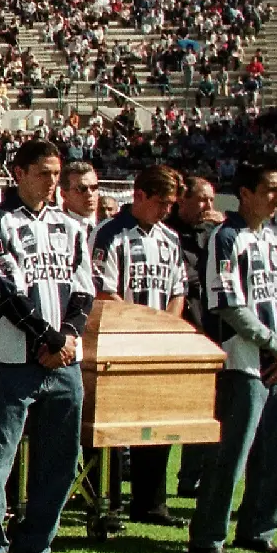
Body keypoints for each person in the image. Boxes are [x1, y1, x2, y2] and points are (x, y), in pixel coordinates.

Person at [0, 139, 94, 553]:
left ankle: (36, 543)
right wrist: (51, 338)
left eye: (57, 174)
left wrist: (69, 337)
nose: (52, 182)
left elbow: (83, 292)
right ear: (19, 173)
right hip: (12, 360)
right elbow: (4, 291)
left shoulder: (72, 225)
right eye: (43, 173)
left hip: (64, 364)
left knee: (62, 461)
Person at [189, 162, 277, 553]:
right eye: (270, 189)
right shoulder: (226, 237)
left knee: (276, 454)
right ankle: (208, 537)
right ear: (246, 193)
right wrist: (273, 343)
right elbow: (227, 303)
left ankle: (258, 530)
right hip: (244, 361)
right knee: (230, 455)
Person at [89, 165, 188, 527]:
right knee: (115, 429)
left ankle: (151, 503)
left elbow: (178, 289)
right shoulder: (110, 234)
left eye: (171, 204)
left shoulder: (170, 238)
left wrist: (168, 328)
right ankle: (111, 502)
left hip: (159, 344)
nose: (166, 210)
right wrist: (140, 327)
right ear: (140, 195)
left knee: (158, 424)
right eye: (161, 202)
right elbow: (104, 290)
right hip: (120, 341)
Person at [169, 176, 226, 497]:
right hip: (181, 330)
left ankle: (194, 477)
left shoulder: (214, 235)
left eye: (212, 200)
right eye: (203, 200)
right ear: (183, 200)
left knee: (207, 408)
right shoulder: (170, 234)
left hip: (210, 332)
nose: (209, 208)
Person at [60, 160, 99, 232]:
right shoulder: (55, 227)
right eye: (81, 189)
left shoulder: (111, 224)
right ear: (63, 194)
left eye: (94, 187)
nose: (89, 193)